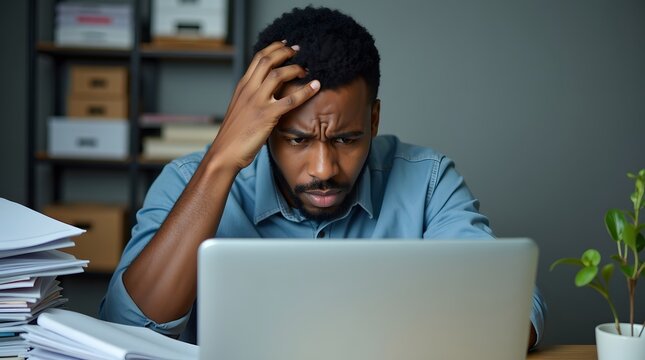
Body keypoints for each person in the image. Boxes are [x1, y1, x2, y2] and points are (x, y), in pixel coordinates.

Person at [100, 6, 546, 350]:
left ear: (374, 120)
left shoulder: (427, 182)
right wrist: (220, 162)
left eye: (347, 139)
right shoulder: (188, 181)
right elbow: (123, 329)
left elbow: (513, 314)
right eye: (296, 140)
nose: (323, 170)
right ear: (263, 125)